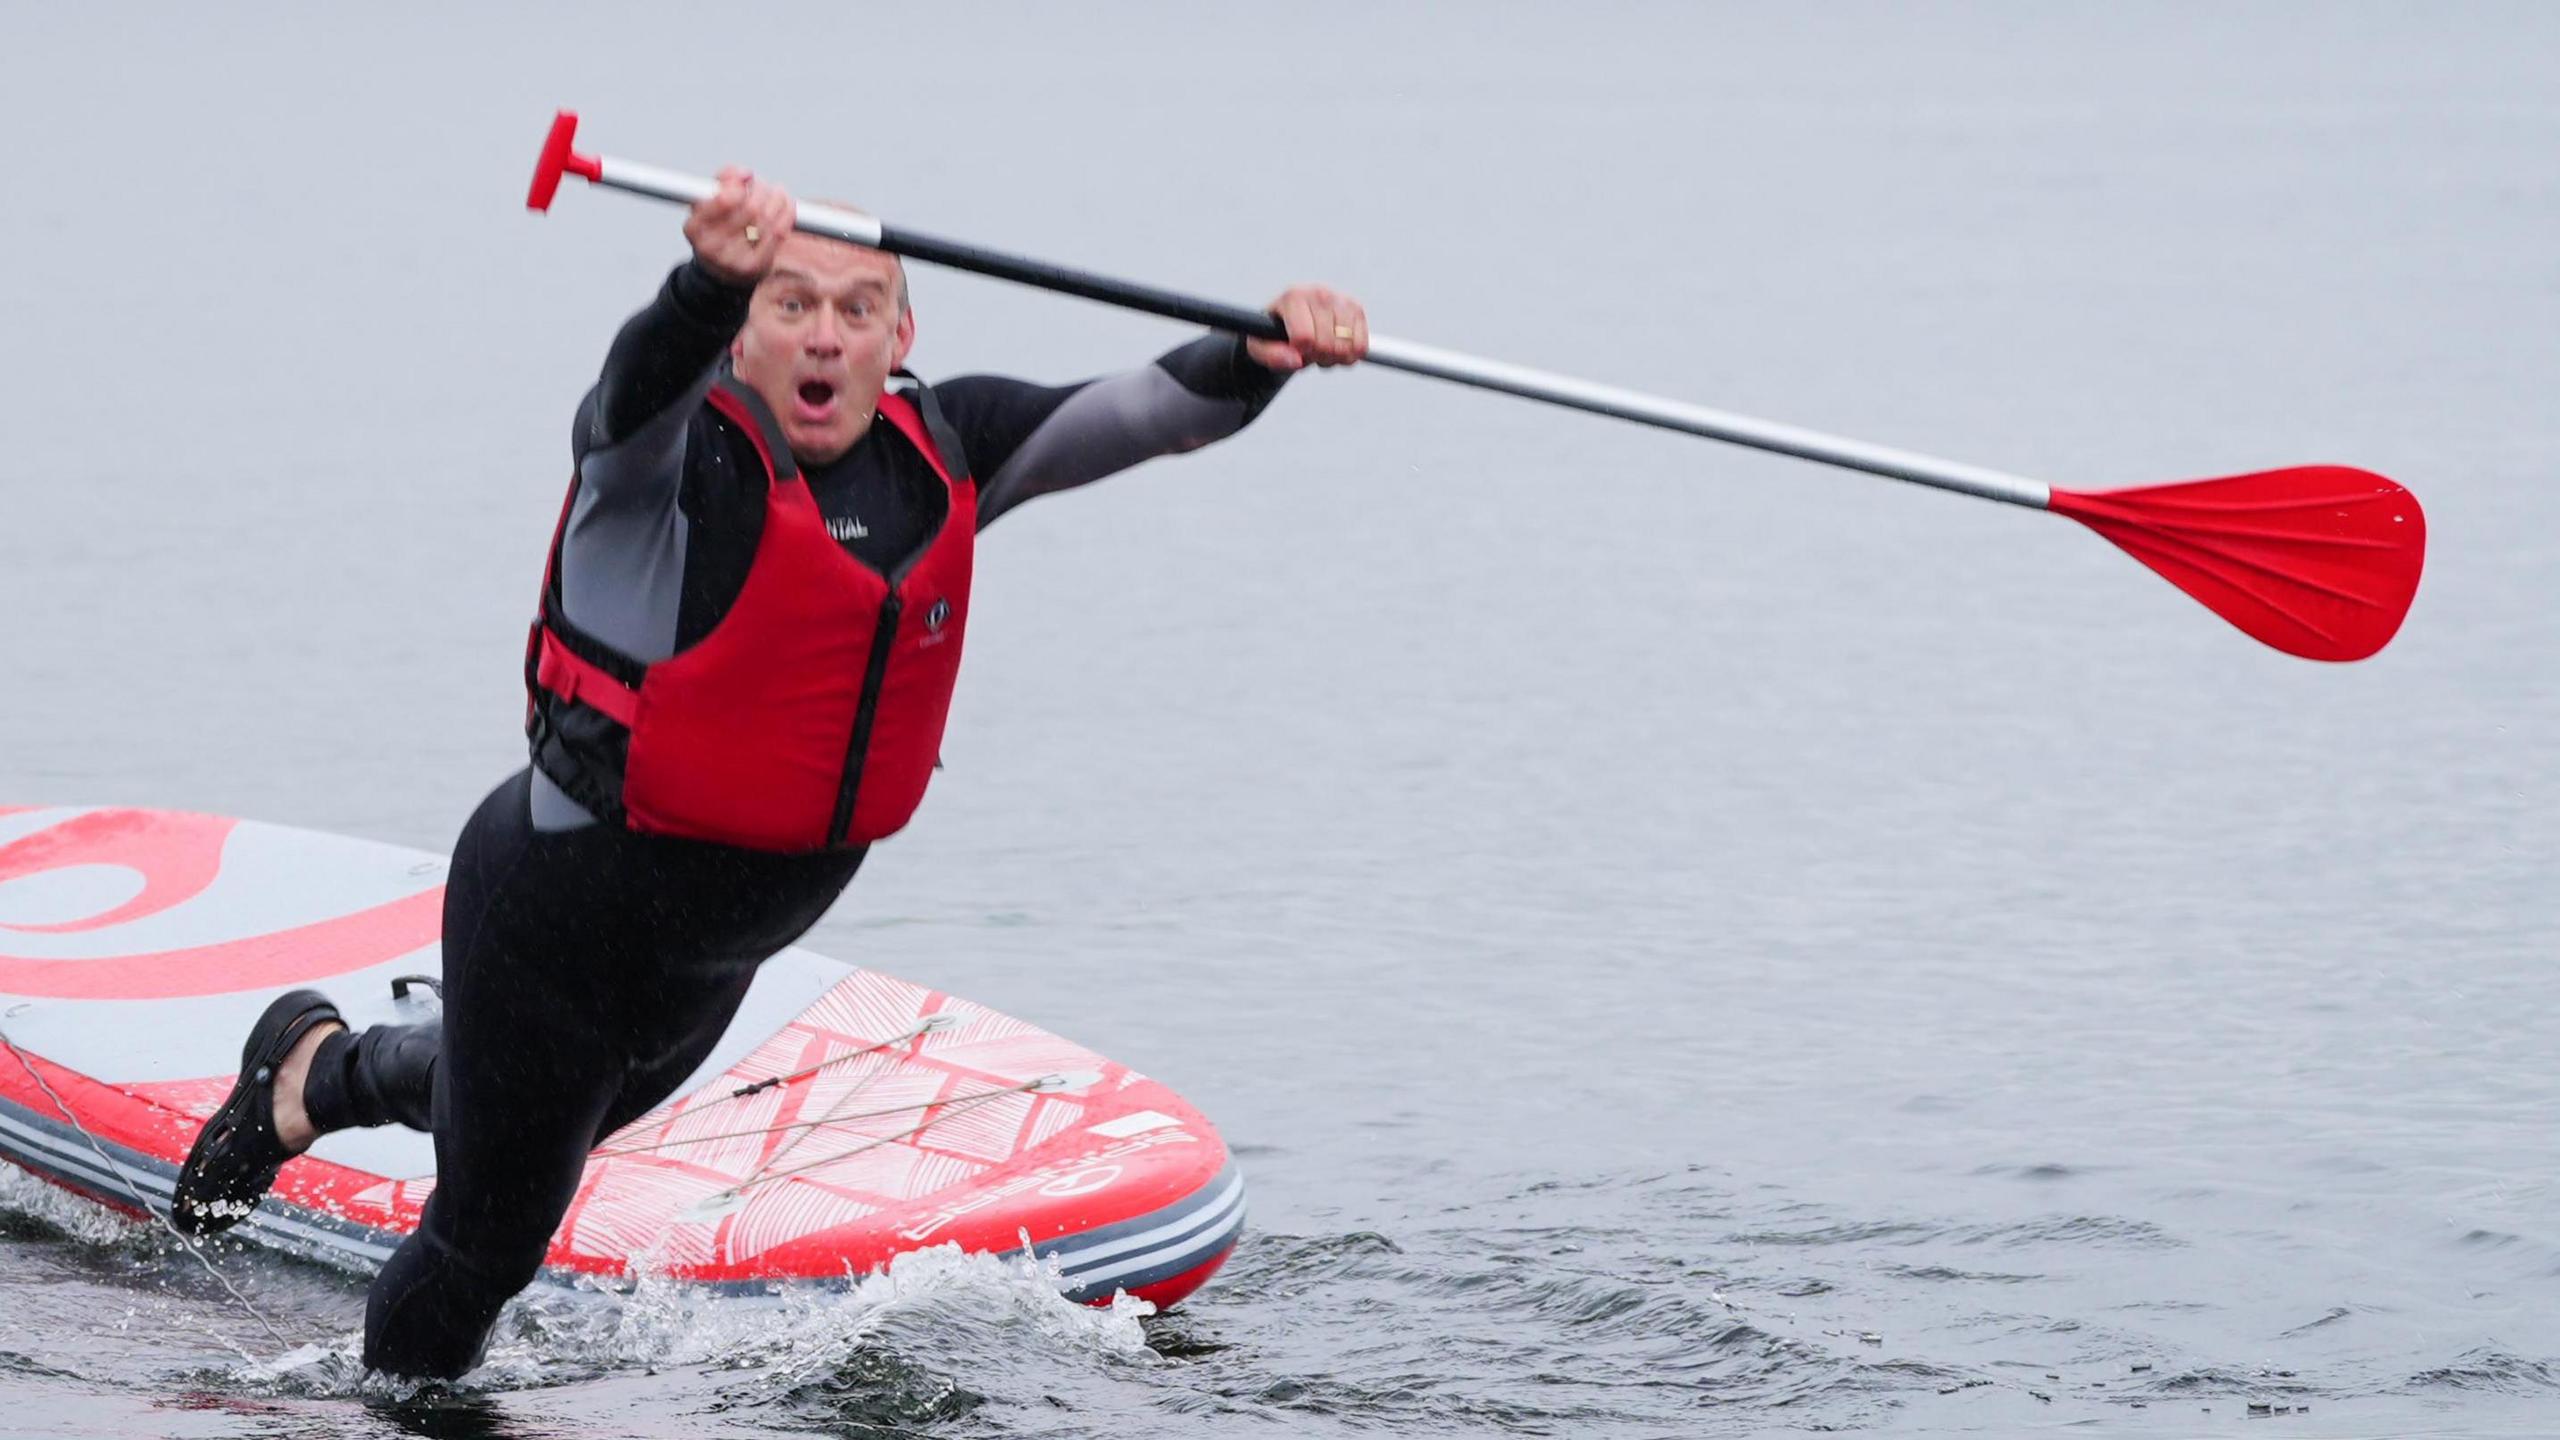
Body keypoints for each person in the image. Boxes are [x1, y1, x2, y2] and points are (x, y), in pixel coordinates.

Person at [170, 168, 1367, 1378]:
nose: (824, 335)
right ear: (743, 330)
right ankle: (390, 1396)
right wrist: (702, 284)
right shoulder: (667, 466)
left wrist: (1265, 350)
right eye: (790, 303)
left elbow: (1147, 408)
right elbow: (627, 395)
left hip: (707, 969)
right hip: (554, 919)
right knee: (485, 1246)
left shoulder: (941, 454)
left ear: (899, 337)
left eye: (857, 310)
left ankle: (310, 1074)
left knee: (524, 1119)